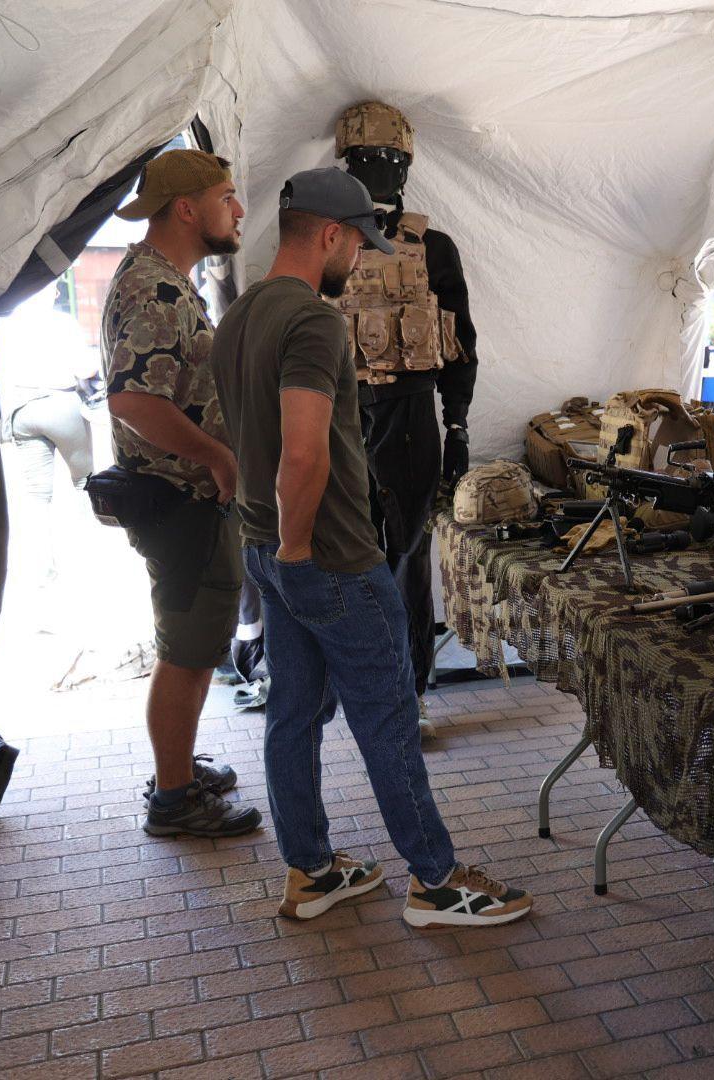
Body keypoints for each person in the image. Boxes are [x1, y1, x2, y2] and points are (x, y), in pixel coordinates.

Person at [210, 167, 532, 927]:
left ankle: (313, 872)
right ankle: (436, 882)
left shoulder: (242, 313)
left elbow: (240, 437)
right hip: (328, 557)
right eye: (357, 244)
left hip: (268, 550)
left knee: (293, 717)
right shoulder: (314, 323)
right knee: (387, 722)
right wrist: (297, 549)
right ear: (330, 235)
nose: (360, 260)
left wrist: (277, 552)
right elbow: (303, 453)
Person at [99, 148, 261, 838]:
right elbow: (133, 399)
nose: (240, 210)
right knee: (188, 649)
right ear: (188, 209)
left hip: (185, 498)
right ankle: (173, 799)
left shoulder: (163, 279)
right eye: (228, 197)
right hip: (180, 499)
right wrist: (217, 457)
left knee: (195, 644)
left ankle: (178, 769)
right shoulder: (157, 289)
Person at [332, 102, 481, 735]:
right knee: (346, 552)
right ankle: (363, 684)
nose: (380, 172)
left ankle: (410, 689)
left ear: (408, 166)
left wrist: (459, 424)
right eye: (367, 161)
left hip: (413, 413)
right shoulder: (324, 242)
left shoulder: (432, 246)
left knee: (408, 554)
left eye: (391, 161)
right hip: (341, 414)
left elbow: (460, 341)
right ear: (346, 166)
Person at [0, 283, 99, 590]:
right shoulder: (62, 324)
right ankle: (87, 558)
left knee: (37, 497)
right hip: (61, 406)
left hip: (23, 411)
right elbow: (86, 369)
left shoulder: (7, 327)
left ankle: (43, 569)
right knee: (84, 483)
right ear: (53, 293)